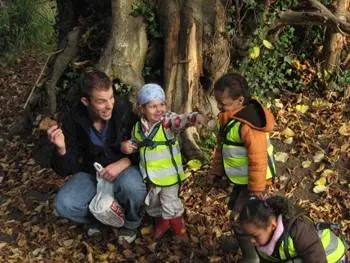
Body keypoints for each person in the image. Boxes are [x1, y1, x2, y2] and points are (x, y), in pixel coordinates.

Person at [47, 68, 147, 244]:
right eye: (101, 101)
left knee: (132, 187)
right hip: (92, 173)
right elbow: (66, 169)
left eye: (111, 98)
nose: (109, 105)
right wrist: (61, 149)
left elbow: (144, 146)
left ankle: (130, 223)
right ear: (86, 101)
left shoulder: (122, 109)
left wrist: (125, 161)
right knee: (64, 204)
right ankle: (101, 218)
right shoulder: (73, 120)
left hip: (123, 169)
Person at [121, 83, 206, 241]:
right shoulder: (138, 127)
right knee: (153, 204)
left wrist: (193, 117)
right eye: (153, 106)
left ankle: (179, 230)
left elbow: (180, 120)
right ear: (142, 109)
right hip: (151, 176)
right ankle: (162, 223)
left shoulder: (167, 122)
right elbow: (136, 144)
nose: (159, 109)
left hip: (168, 177)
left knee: (169, 203)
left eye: (161, 104)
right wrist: (127, 147)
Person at [210, 73, 276, 261]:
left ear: (239, 100)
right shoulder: (228, 118)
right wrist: (217, 172)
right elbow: (221, 148)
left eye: (223, 103)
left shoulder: (248, 125)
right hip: (241, 180)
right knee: (236, 210)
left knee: (241, 218)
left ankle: (253, 256)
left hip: (255, 183)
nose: (220, 107)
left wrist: (256, 189)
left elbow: (258, 159)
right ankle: (246, 243)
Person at [238, 196, 348, 263]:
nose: (251, 240)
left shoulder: (299, 229)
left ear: (272, 225)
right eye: (249, 236)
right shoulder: (265, 235)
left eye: (255, 236)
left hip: (332, 258)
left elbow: (316, 258)